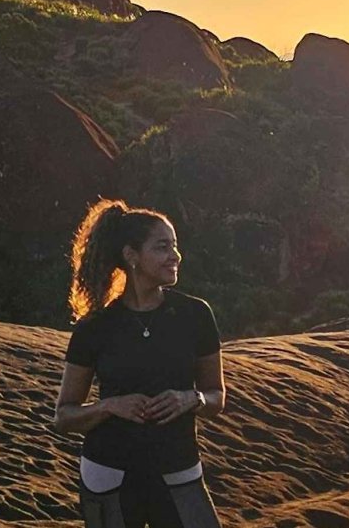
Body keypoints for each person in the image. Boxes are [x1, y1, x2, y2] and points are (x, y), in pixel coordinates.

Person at [52, 199, 226, 528]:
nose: (175, 256)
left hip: (179, 467)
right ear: (132, 255)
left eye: (175, 246)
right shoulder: (95, 327)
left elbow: (216, 395)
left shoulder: (195, 315)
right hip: (108, 474)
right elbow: (64, 416)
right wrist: (110, 406)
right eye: (162, 247)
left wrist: (192, 399)